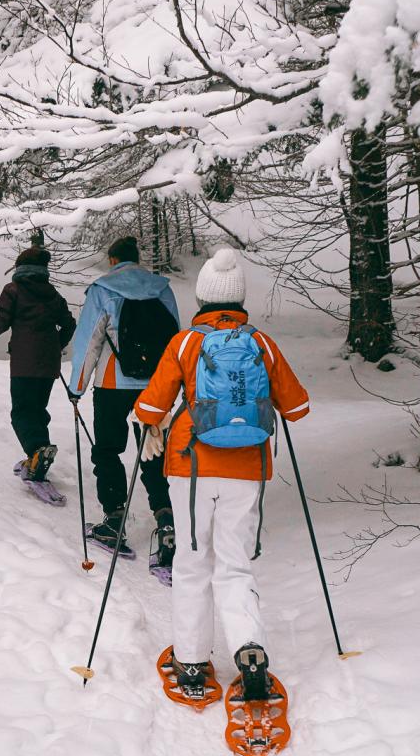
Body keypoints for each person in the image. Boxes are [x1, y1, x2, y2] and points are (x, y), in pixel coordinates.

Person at [133, 248, 310, 701]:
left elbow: (149, 406)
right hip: (247, 467)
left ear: (203, 296)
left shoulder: (187, 343)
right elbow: (298, 407)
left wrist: (158, 417)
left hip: (190, 467)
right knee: (234, 564)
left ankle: (191, 660)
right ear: (240, 297)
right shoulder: (262, 343)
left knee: (193, 563)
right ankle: (249, 648)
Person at [66, 236, 180, 569]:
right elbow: (175, 339)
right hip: (155, 388)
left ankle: (113, 520)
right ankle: (167, 521)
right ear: (137, 258)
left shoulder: (103, 289)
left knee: (108, 449)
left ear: (113, 260)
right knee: (153, 451)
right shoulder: (161, 289)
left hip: (113, 383)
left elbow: (89, 342)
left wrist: (77, 388)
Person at [0, 246, 77, 480]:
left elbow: (2, 321)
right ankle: (40, 452)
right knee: (37, 409)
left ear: (20, 267)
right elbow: (69, 324)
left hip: (24, 360)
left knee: (22, 411)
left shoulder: (13, 290)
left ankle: (36, 451)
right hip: (49, 362)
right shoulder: (53, 294)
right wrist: (57, 345)